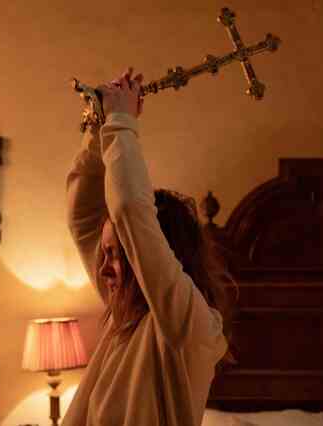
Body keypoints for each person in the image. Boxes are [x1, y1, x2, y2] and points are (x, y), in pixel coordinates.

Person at [63, 67, 234, 426]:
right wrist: (100, 126)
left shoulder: (187, 324)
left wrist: (122, 123)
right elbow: (82, 216)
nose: (103, 268)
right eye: (105, 254)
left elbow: (130, 209)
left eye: (116, 254)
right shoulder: (127, 311)